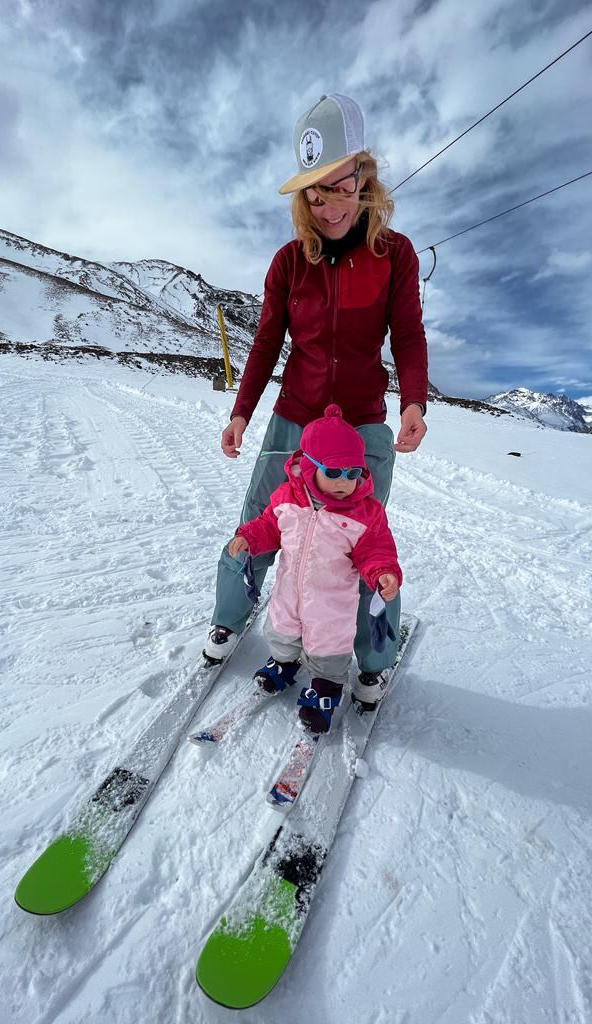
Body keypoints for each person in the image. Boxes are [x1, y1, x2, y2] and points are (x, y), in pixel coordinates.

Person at [205, 92, 428, 704]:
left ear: (365, 175)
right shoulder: (287, 263)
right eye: (314, 191)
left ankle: (372, 656)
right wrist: (242, 412)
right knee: (259, 523)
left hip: (361, 432)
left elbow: (407, 332)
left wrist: (414, 400)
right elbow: (266, 342)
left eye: (339, 184)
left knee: (358, 546)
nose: (327, 203)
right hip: (291, 423)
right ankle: (232, 612)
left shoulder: (396, 255)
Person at [227, 404, 401, 734]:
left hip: (331, 602)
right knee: (283, 630)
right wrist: (250, 537)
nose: (344, 482)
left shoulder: (365, 513)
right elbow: (269, 526)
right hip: (290, 591)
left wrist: (383, 573)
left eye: (352, 473)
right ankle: (283, 663)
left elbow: (376, 549)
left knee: (328, 646)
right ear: (310, 467)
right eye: (334, 473)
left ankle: (326, 688)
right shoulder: (287, 497)